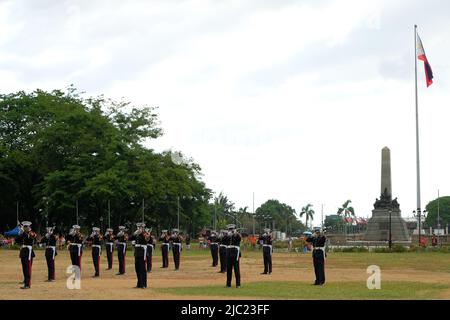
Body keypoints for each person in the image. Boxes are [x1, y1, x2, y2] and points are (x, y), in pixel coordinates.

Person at [16, 221, 36, 289]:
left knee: (27, 268)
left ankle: (27, 284)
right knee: (24, 268)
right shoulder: (23, 233)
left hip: (28, 251)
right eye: (24, 227)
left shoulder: (31, 232)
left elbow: (33, 236)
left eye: (26, 227)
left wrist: (23, 232)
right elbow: (17, 240)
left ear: (28, 227)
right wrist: (20, 233)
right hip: (23, 251)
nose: (24, 228)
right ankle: (25, 281)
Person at [129, 223, 148, 288]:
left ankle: (144, 284)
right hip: (137, 252)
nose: (139, 228)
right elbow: (130, 238)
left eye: (140, 227)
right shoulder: (137, 234)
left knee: (142, 269)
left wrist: (142, 233)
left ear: (143, 228)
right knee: (137, 268)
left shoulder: (145, 234)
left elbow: (147, 239)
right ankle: (139, 283)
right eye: (138, 227)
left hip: (142, 252)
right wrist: (134, 233)